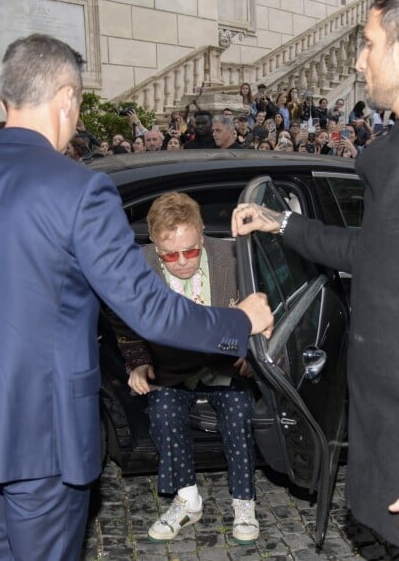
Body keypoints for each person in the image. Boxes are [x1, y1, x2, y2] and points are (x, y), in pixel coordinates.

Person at [0, 33, 273, 561]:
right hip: (44, 435)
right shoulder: (79, 190)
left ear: (6, 100)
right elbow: (148, 309)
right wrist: (238, 320)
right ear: (67, 99)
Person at [232, 0, 399, 558]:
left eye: (367, 44)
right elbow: (376, 252)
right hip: (396, 438)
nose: (359, 60)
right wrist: (282, 225)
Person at [113, 192, 259, 544]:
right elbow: (125, 324)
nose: (181, 261)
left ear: (202, 231)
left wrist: (252, 353)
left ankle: (244, 502)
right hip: (172, 371)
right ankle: (187, 498)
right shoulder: (139, 266)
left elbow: (261, 310)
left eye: (191, 251)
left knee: (239, 412)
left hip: (224, 367)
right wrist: (139, 364)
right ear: (153, 243)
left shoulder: (233, 257)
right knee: (162, 410)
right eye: (170, 254)